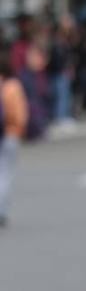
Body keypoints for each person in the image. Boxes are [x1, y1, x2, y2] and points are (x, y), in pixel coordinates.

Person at [0, 57, 29, 228]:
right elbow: (19, 114)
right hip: (10, 133)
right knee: (5, 173)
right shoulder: (13, 87)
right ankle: (1, 210)